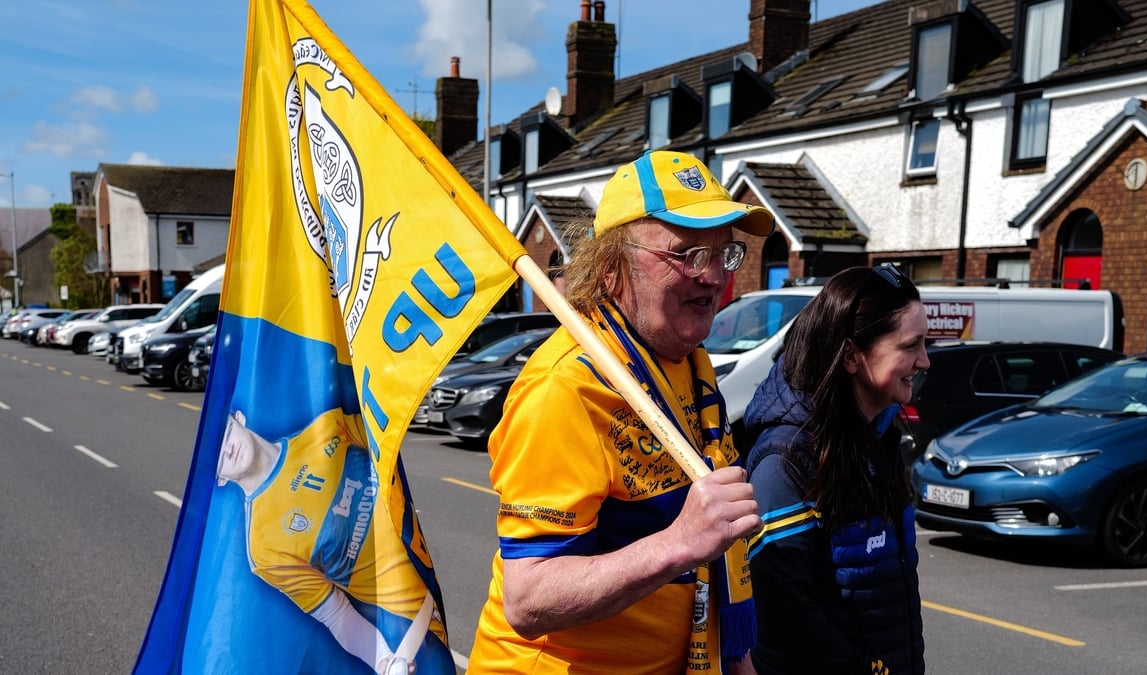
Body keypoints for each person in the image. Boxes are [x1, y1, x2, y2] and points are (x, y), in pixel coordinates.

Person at [468, 150, 774, 674]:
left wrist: (737, 660)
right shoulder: (565, 388)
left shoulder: (687, 358)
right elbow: (529, 598)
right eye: (687, 253)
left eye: (723, 255)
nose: (711, 278)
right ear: (611, 269)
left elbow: (716, 554)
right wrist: (678, 544)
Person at [743, 264, 928, 675]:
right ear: (850, 356)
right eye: (910, 345)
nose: (925, 361)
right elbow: (785, 613)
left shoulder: (879, 435)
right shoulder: (787, 457)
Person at [217, 408, 452, 675]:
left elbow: (384, 448)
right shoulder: (262, 549)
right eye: (216, 457)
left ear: (239, 419)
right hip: (409, 623)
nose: (226, 450)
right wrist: (384, 660)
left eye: (225, 434)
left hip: (425, 573)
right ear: (220, 478)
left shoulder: (328, 426)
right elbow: (336, 614)